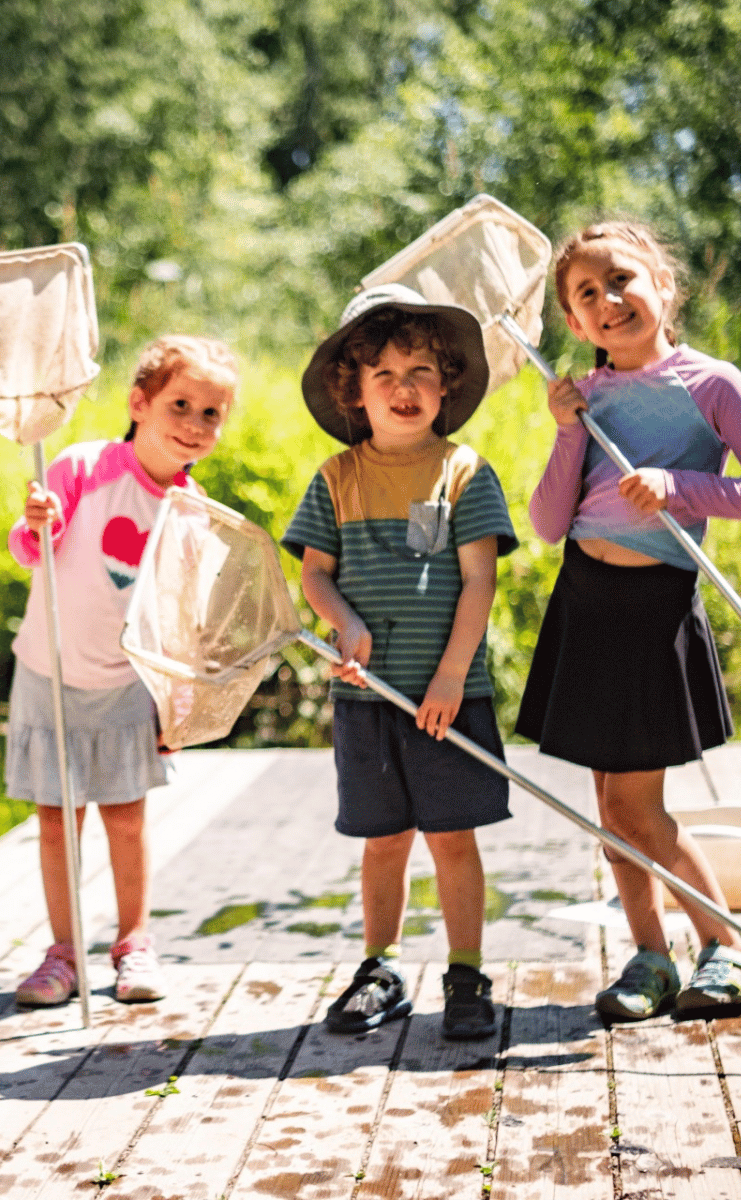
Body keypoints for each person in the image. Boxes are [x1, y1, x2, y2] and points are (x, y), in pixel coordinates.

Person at [515, 222, 741, 1021]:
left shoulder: (712, 385)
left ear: (664, 287)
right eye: (586, 295)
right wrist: (569, 429)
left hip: (654, 610)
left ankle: (727, 950)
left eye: (622, 281)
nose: (608, 302)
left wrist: (678, 486)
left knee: (639, 808)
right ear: (573, 324)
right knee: (611, 806)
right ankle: (651, 956)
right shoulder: (588, 396)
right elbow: (546, 522)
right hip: (586, 603)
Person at [282, 284, 518, 1040]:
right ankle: (378, 969)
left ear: (446, 382)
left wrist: (451, 674)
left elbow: (478, 578)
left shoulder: (463, 473)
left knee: (453, 838)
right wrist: (343, 623)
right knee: (383, 841)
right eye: (382, 375)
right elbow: (315, 573)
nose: (402, 388)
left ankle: (466, 972)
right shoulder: (336, 477)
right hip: (365, 699)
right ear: (355, 391)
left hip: (448, 695)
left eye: (419, 370)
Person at [7, 335, 239, 1006]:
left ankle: (134, 944)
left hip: (125, 684)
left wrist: (177, 704)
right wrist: (37, 521)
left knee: (127, 819)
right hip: (48, 673)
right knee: (57, 820)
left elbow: (180, 621)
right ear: (139, 403)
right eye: (181, 405)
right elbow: (32, 548)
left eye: (211, 414)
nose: (194, 425)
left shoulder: (193, 516)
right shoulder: (81, 466)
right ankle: (63, 954)